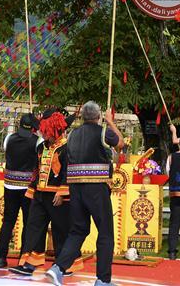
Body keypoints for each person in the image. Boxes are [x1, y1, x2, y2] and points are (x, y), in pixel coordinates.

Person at [45, 102, 123, 286]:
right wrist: (110, 122)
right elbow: (120, 143)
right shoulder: (103, 131)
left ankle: (58, 268)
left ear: (82, 117)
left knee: (78, 230)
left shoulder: (72, 134)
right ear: (98, 117)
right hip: (96, 187)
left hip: (76, 187)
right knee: (105, 232)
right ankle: (103, 280)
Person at [10, 110, 72, 277]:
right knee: (33, 227)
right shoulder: (40, 147)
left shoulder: (67, 148)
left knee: (60, 231)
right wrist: (31, 190)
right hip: (39, 196)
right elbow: (36, 171)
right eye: (42, 132)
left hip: (58, 197)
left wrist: (62, 192)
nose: (43, 135)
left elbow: (68, 172)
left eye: (46, 132)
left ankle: (62, 266)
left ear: (55, 131)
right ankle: (29, 264)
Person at [0, 112, 39, 268]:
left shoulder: (9, 139)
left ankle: (1, 257)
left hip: (10, 185)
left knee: (8, 221)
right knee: (28, 222)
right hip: (28, 187)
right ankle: (23, 257)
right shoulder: (36, 141)